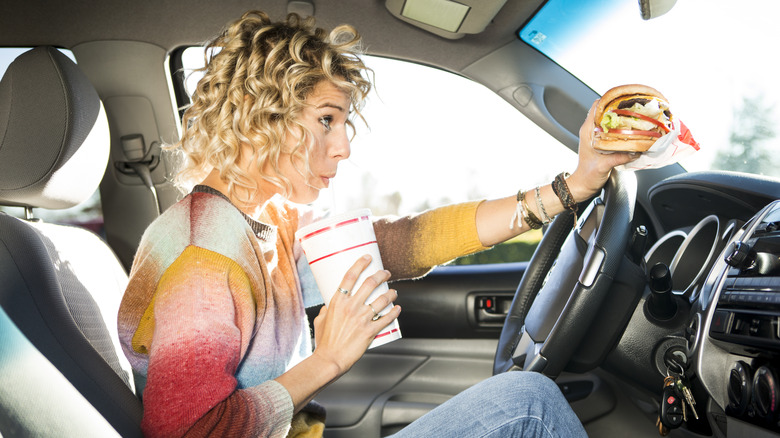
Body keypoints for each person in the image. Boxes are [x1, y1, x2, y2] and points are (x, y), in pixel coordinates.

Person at [117, 10, 636, 438]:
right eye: (326, 119)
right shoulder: (202, 258)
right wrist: (327, 360)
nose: (343, 147)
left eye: (343, 123)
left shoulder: (268, 218)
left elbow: (405, 241)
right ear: (260, 117)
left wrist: (570, 188)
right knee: (529, 405)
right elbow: (182, 433)